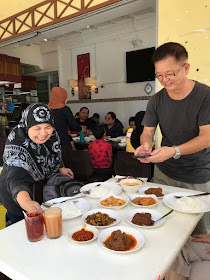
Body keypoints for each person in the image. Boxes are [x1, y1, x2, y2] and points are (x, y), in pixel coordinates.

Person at [135, 42, 210, 233]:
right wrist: (145, 145)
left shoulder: (205, 96)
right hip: (164, 175)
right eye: (159, 75)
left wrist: (174, 151)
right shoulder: (156, 100)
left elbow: (207, 137)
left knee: (197, 233)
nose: (164, 80)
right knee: (161, 227)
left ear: (186, 68)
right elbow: (148, 131)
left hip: (196, 176)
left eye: (170, 74)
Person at [0, 103, 74, 224]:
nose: (43, 133)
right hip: (16, 195)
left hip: (38, 192)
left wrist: (60, 168)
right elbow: (16, 179)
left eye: (48, 127)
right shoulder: (17, 143)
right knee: (22, 228)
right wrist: (27, 203)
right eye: (37, 128)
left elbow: (53, 153)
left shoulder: (52, 135)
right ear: (27, 125)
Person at [48, 87, 86, 152]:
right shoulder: (65, 109)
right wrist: (81, 129)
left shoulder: (46, 109)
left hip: (49, 143)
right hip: (63, 142)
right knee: (66, 161)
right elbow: (73, 125)